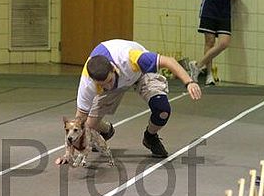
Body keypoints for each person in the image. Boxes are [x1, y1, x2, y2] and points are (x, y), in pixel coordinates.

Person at [55, 39, 201, 163]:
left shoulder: (133, 58)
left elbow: (169, 61)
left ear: (113, 68)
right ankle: (107, 130)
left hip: (139, 74)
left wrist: (189, 82)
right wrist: (69, 153)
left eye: (108, 81)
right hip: (116, 85)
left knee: (162, 110)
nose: (107, 86)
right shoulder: (88, 82)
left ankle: (150, 137)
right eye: (101, 84)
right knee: (89, 126)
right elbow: (78, 120)